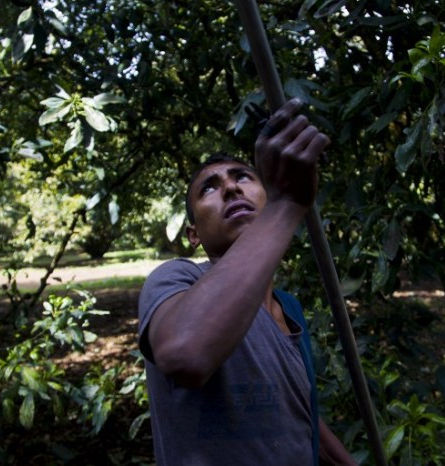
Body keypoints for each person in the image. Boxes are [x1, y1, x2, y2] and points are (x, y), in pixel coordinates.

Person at [137, 98, 357, 465]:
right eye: (209, 187)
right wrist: (286, 204)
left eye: (242, 176)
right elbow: (186, 353)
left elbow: (293, 410)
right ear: (193, 234)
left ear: (266, 192)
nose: (230, 189)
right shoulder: (177, 279)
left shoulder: (289, 308)